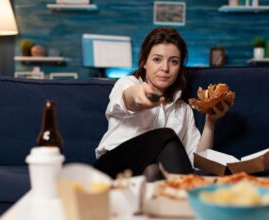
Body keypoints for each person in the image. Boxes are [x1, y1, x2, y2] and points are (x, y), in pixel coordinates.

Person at [94, 27, 232, 180]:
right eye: (157, 59)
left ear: (179, 68)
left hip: (145, 174)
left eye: (173, 62)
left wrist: (210, 122)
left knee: (153, 171)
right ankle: (189, 196)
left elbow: (197, 162)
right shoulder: (127, 84)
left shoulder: (183, 110)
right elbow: (129, 98)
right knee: (166, 135)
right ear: (144, 62)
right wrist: (140, 97)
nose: (165, 68)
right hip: (111, 168)